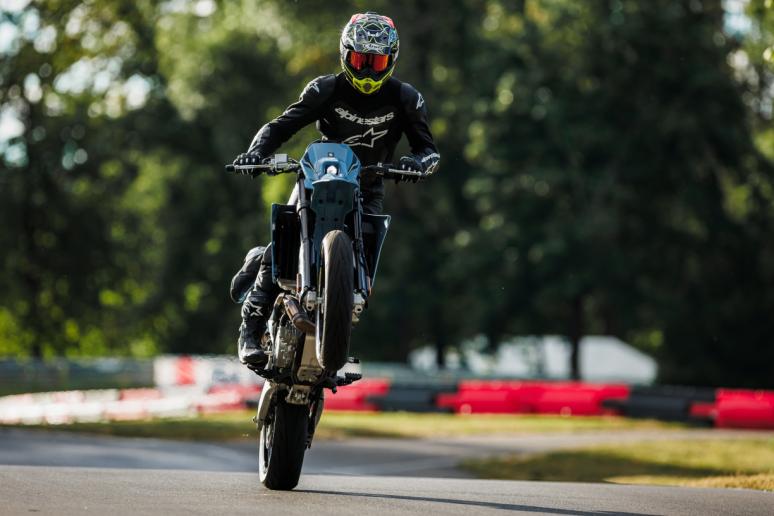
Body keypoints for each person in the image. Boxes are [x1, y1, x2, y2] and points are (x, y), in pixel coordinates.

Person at [230, 12, 440, 366]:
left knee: (368, 254)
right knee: (284, 241)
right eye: (360, 60)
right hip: (317, 179)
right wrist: (257, 153)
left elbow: (428, 149)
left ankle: (341, 311)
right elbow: (280, 126)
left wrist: (416, 164)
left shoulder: (407, 98)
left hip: (367, 187)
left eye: (377, 63)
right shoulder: (325, 88)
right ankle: (250, 330)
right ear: (345, 55)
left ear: (391, 61)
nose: (368, 72)